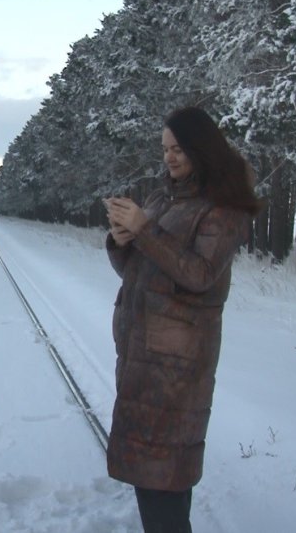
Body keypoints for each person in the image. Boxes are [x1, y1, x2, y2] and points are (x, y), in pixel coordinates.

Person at [103, 106, 260, 533]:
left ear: (201, 148)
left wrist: (145, 231)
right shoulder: (163, 199)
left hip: (177, 369)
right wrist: (121, 241)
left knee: (163, 482)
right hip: (141, 357)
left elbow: (200, 275)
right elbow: (137, 272)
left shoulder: (222, 208)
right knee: (154, 478)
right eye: (164, 149)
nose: (169, 157)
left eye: (178, 149)